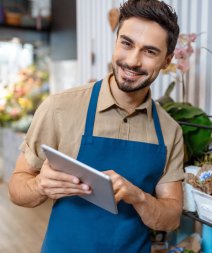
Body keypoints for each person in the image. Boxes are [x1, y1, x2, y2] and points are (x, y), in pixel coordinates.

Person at [8, 0, 184, 252]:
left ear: (167, 60)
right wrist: (39, 186)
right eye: (126, 43)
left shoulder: (169, 132)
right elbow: (16, 188)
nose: (133, 61)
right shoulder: (60, 108)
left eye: (150, 51)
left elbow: (171, 218)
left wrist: (139, 197)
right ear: (115, 42)